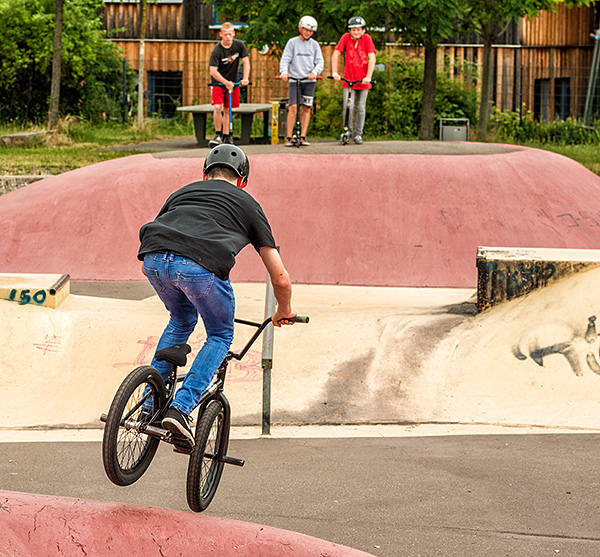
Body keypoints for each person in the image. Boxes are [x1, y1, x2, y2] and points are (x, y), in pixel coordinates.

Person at [138, 144, 296, 450]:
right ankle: (179, 409)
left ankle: (149, 404)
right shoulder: (248, 204)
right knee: (220, 333)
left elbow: (167, 231)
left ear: (204, 174)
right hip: (200, 266)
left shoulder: (181, 193)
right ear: (243, 180)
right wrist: (283, 310)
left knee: (182, 318)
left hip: (153, 260)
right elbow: (280, 277)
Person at [279, 16, 324, 147]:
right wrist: (284, 72)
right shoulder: (292, 43)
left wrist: (314, 73)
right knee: (293, 107)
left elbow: (320, 62)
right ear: (300, 29)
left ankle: (303, 136)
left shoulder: (314, 45)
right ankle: (288, 136)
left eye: (310, 31)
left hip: (309, 81)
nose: (308, 33)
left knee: (306, 107)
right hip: (294, 80)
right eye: (306, 30)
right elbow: (285, 59)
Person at [331, 16, 376, 145]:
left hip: (363, 80)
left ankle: (358, 134)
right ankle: (347, 131)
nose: (356, 32)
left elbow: (372, 57)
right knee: (348, 106)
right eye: (353, 30)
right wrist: (335, 72)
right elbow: (336, 54)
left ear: (363, 30)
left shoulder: (367, 39)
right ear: (349, 30)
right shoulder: (345, 38)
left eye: (358, 30)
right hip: (349, 79)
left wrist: (368, 76)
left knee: (360, 107)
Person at [209, 22, 250, 146]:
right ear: (221, 34)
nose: (228, 37)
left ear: (234, 34)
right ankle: (218, 134)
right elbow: (212, 71)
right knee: (217, 107)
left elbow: (246, 62)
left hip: (233, 83)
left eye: (230, 34)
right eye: (225, 34)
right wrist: (226, 83)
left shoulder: (239, 45)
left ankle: (227, 136)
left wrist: (245, 78)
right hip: (219, 83)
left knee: (228, 109)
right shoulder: (217, 50)